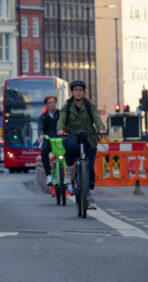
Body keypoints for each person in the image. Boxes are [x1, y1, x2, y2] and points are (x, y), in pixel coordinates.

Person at [57, 80, 106, 209]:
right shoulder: (66, 107)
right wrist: (60, 129)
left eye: (80, 90)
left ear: (84, 92)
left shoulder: (90, 106)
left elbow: (97, 119)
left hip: (89, 137)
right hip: (72, 136)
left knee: (89, 167)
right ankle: (69, 173)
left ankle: (90, 195)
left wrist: (101, 128)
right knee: (71, 146)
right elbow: (61, 121)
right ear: (72, 92)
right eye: (76, 90)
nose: (78, 92)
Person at [38, 95, 60, 186]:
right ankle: (49, 176)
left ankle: (68, 175)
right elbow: (40, 128)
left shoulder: (61, 114)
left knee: (70, 148)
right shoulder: (43, 117)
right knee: (44, 151)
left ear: (56, 103)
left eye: (53, 102)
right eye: (49, 103)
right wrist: (41, 135)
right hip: (49, 140)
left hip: (60, 139)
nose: (52, 104)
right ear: (46, 105)